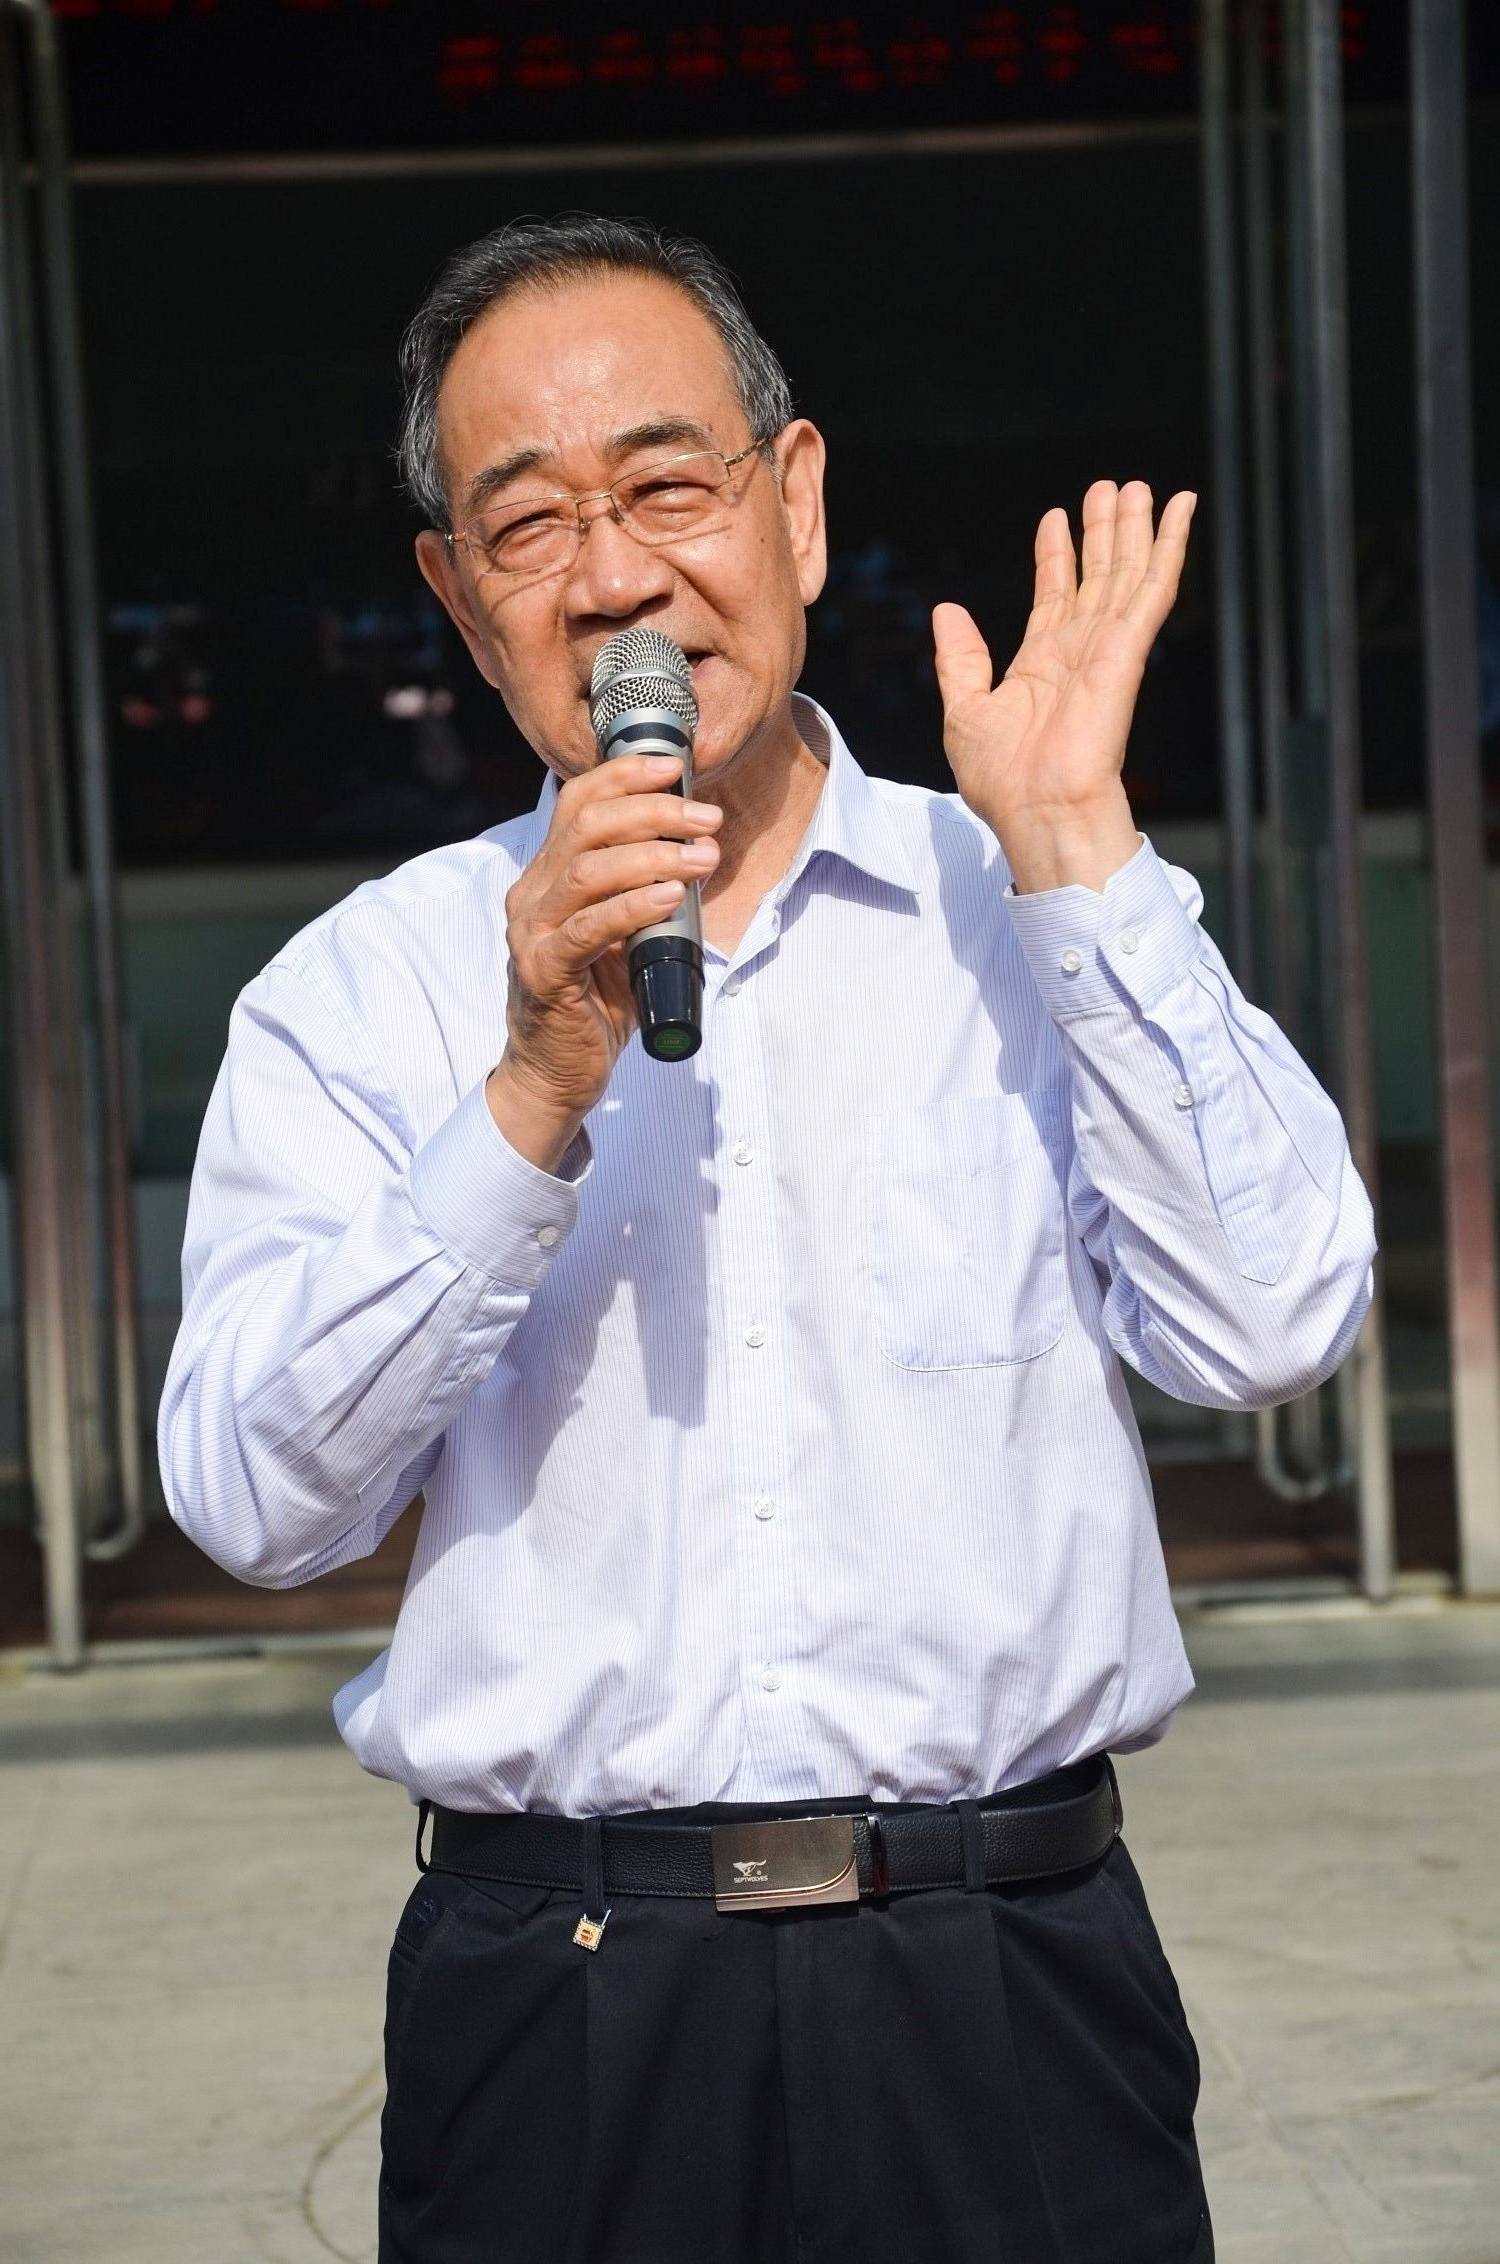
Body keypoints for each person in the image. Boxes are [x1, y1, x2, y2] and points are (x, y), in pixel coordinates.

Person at [160, 214, 1375, 2264]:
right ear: (460, 599)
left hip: (1007, 1977)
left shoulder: (1026, 911)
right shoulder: (362, 996)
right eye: (529, 526)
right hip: (556, 2003)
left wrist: (1081, 853)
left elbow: (1274, 1321)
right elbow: (255, 1502)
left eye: (667, 487)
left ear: (794, 502)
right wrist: (527, 1095)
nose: (615, 579)